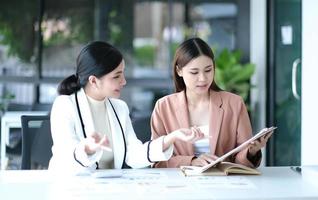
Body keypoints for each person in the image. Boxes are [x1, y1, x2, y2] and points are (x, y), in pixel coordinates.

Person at [48, 41, 204, 172]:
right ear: (93, 81)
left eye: (123, 73)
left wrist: (172, 137)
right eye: (116, 76)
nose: (124, 81)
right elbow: (67, 155)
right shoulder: (64, 106)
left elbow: (134, 154)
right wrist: (87, 149)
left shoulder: (119, 108)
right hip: (71, 189)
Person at [151, 37, 272, 168]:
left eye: (208, 70)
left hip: (225, 182)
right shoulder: (163, 107)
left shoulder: (234, 103)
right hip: (181, 184)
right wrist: (191, 161)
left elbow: (240, 159)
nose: (203, 78)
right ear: (179, 71)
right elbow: (156, 159)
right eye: (194, 72)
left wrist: (251, 151)